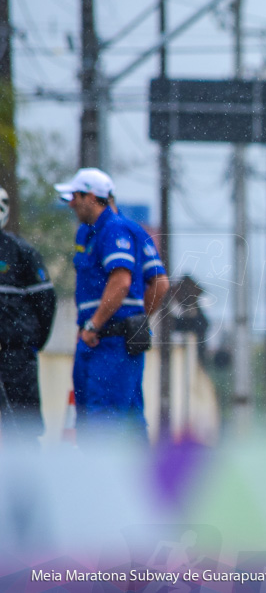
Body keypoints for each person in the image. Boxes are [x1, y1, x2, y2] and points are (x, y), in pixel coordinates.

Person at [56, 168, 153, 443]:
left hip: (109, 343)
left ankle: (105, 484)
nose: (71, 203)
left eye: (75, 196)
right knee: (120, 425)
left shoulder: (115, 229)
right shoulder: (89, 234)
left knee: (102, 428)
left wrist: (96, 324)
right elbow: (158, 283)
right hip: (99, 339)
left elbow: (122, 282)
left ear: (91, 196)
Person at [0, 187, 56, 441]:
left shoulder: (21, 252)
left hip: (16, 358)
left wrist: (28, 342)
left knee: (23, 429)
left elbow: (45, 303)